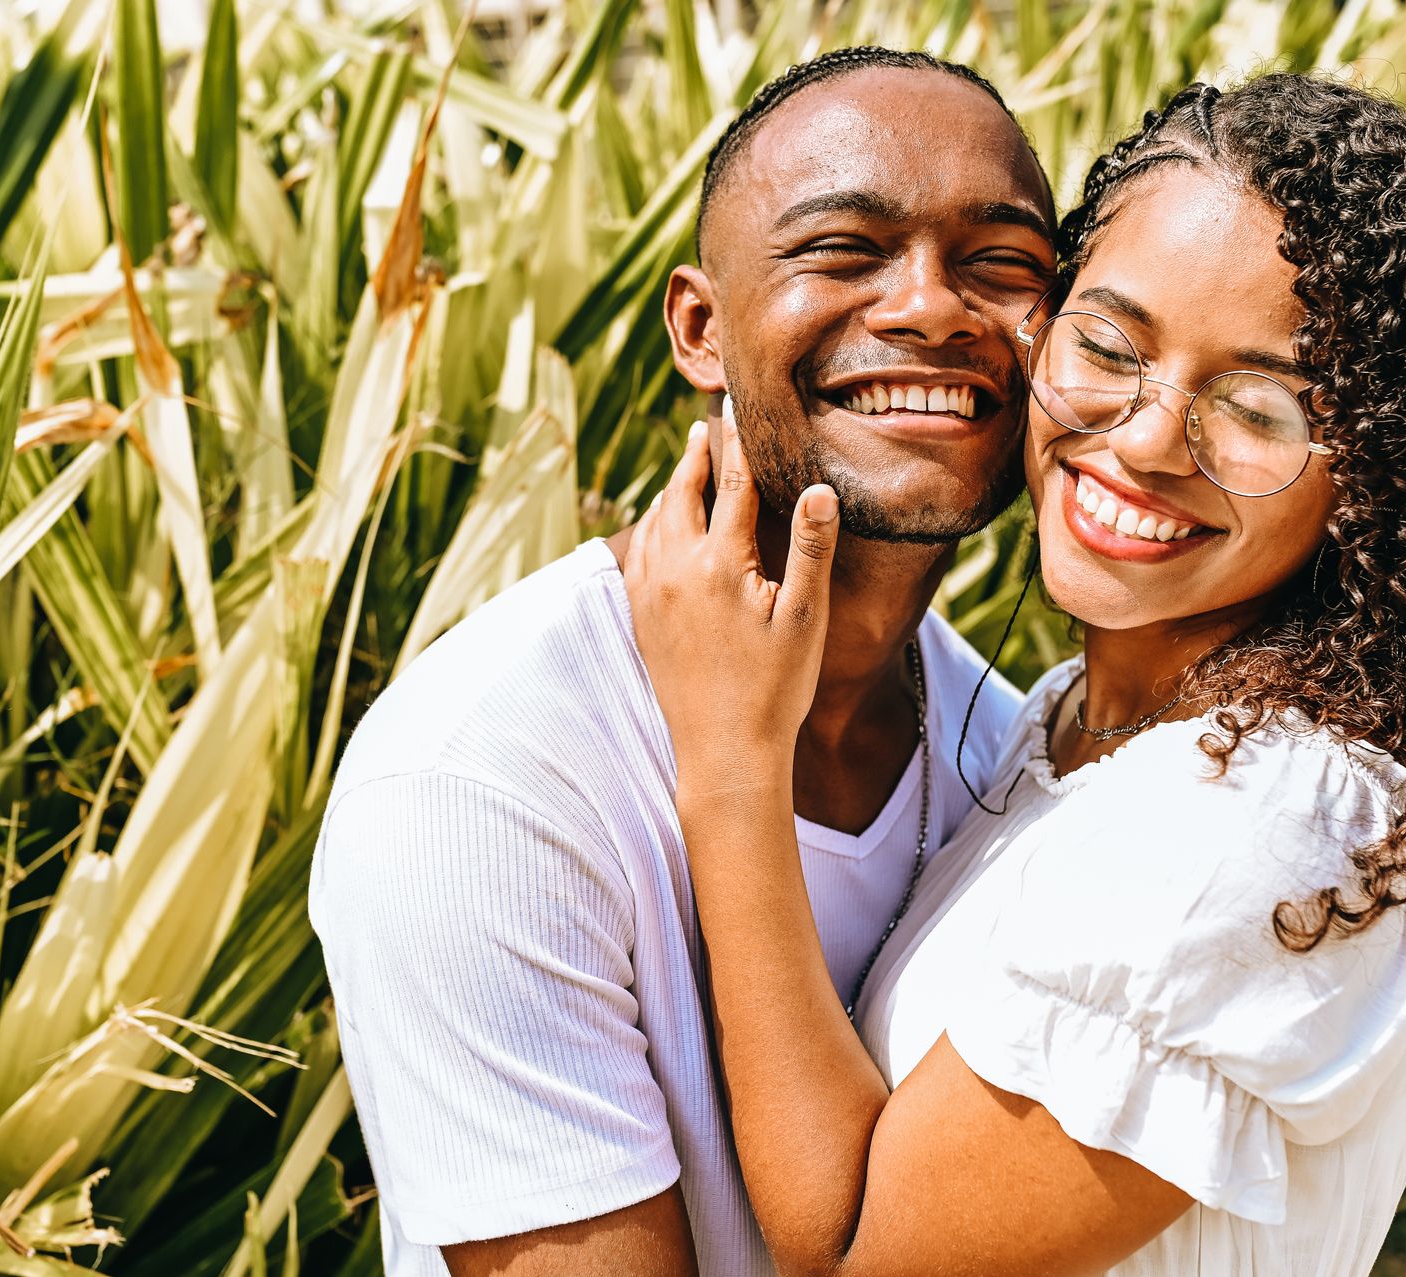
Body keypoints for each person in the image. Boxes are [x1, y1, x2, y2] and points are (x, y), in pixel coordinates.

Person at [623, 74, 1406, 1276]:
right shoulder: (1071, 732)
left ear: (1370, 480)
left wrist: (733, 760)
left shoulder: (1253, 825)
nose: (1152, 437)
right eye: (1111, 345)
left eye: (1259, 406)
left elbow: (854, 1244)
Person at [309, 48, 1058, 1277]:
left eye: (1003, 264)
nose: (931, 306)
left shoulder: (1001, 744)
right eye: (842, 250)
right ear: (701, 329)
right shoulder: (481, 779)